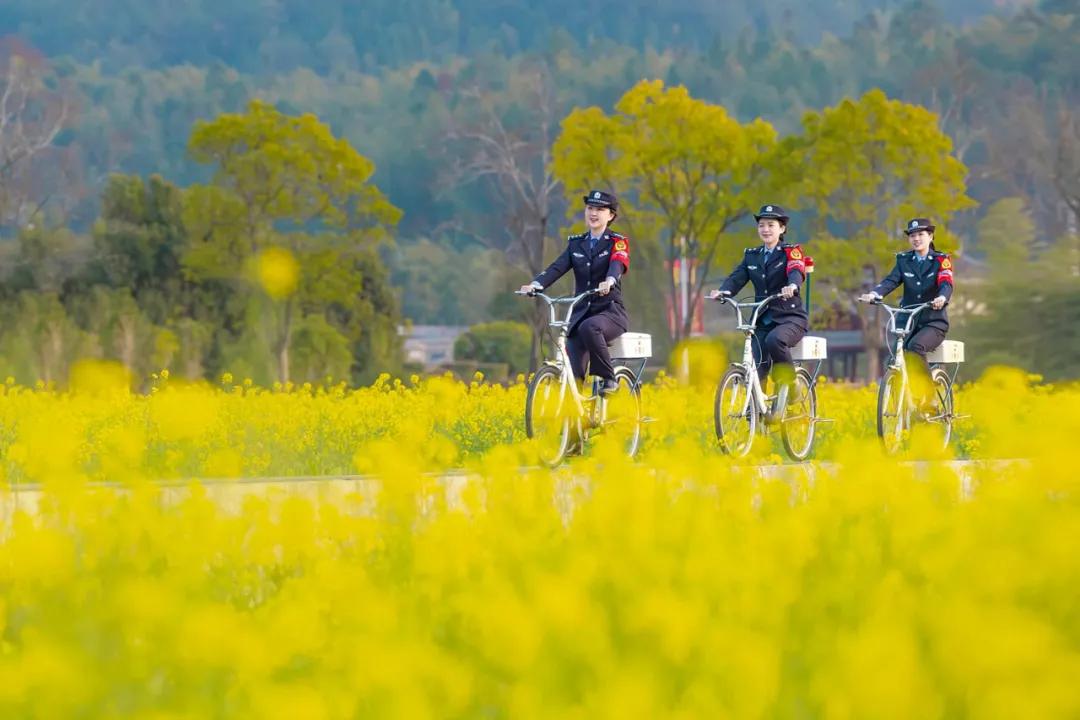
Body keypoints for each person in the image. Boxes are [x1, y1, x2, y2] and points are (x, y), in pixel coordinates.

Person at [520, 190, 631, 394]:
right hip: (580, 316)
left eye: (600, 209)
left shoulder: (617, 241)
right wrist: (536, 285)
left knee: (590, 327)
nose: (593, 213)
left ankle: (609, 379)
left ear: (611, 215)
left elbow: (618, 262)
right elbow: (557, 267)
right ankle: (575, 421)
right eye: (590, 208)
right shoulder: (576, 244)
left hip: (610, 312)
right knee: (574, 366)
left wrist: (610, 280)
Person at [707, 204, 808, 421]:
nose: (766, 229)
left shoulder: (791, 251)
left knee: (775, 341)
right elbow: (737, 277)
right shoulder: (751, 256)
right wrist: (724, 291)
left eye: (771, 225)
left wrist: (792, 286)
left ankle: (791, 386)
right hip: (761, 318)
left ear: (781, 229)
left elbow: (796, 270)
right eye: (761, 225)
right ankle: (757, 414)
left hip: (790, 319)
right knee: (757, 361)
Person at [859, 217, 954, 393]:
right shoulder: (904, 260)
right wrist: (874, 294)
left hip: (933, 322)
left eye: (921, 234)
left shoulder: (941, 260)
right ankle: (902, 404)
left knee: (915, 347)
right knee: (896, 356)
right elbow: (891, 281)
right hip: (908, 321)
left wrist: (942, 297)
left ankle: (927, 397)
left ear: (931, 236)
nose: (916, 239)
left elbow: (946, 283)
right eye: (912, 236)